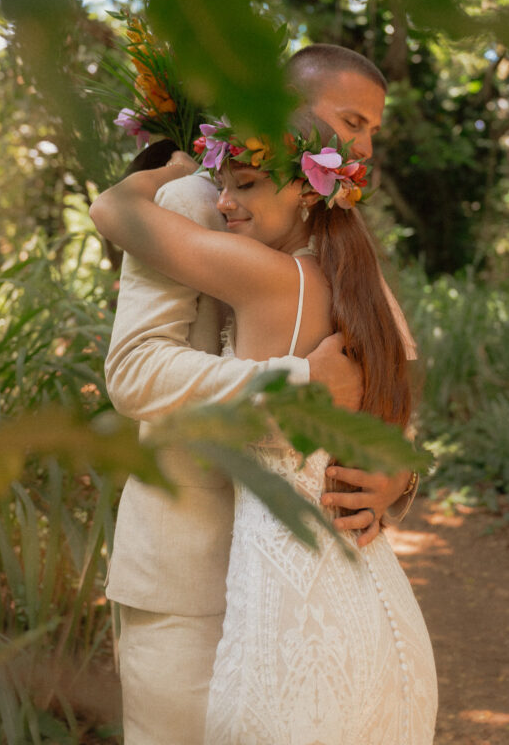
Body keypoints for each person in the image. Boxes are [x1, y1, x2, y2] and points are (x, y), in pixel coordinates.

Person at [97, 45, 419, 744]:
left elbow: (387, 365)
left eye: (371, 132)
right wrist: (297, 386)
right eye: (351, 120)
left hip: (304, 573)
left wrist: (398, 474)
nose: (362, 145)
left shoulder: (340, 232)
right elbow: (135, 369)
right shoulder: (189, 200)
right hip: (187, 575)